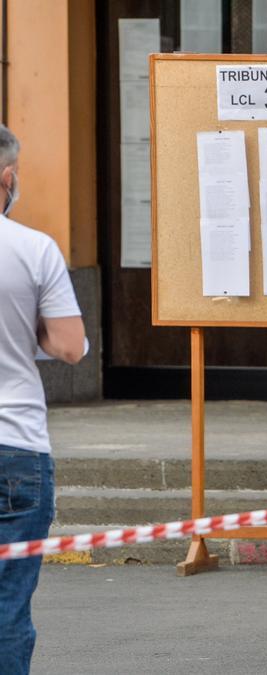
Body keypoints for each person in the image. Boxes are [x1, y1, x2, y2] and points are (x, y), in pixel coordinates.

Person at [0, 123, 87, 675]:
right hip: (17, 449)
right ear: (7, 179)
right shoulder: (33, 250)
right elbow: (71, 346)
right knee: (8, 608)